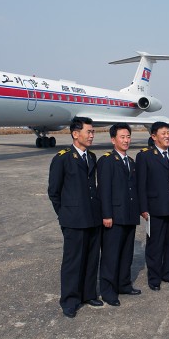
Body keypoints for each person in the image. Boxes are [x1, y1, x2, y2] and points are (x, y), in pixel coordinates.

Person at [48, 116, 102, 318]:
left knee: (91, 258)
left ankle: (88, 294)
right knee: (73, 261)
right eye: (88, 132)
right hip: (73, 219)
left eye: (93, 132)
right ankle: (70, 300)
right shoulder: (62, 158)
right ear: (75, 134)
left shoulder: (91, 157)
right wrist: (65, 215)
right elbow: (54, 192)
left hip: (92, 217)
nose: (91, 135)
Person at [136, 121, 169, 290]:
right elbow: (141, 185)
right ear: (154, 136)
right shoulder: (145, 156)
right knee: (155, 244)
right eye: (163, 133)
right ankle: (154, 278)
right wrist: (143, 208)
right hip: (155, 208)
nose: (167, 136)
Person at [97, 123, 142, 307]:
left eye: (128, 136)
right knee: (110, 255)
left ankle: (124, 284)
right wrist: (106, 215)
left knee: (126, 253)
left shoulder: (130, 161)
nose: (126, 140)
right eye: (122, 137)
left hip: (129, 215)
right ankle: (108, 291)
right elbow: (104, 190)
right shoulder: (107, 161)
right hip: (114, 216)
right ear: (113, 139)